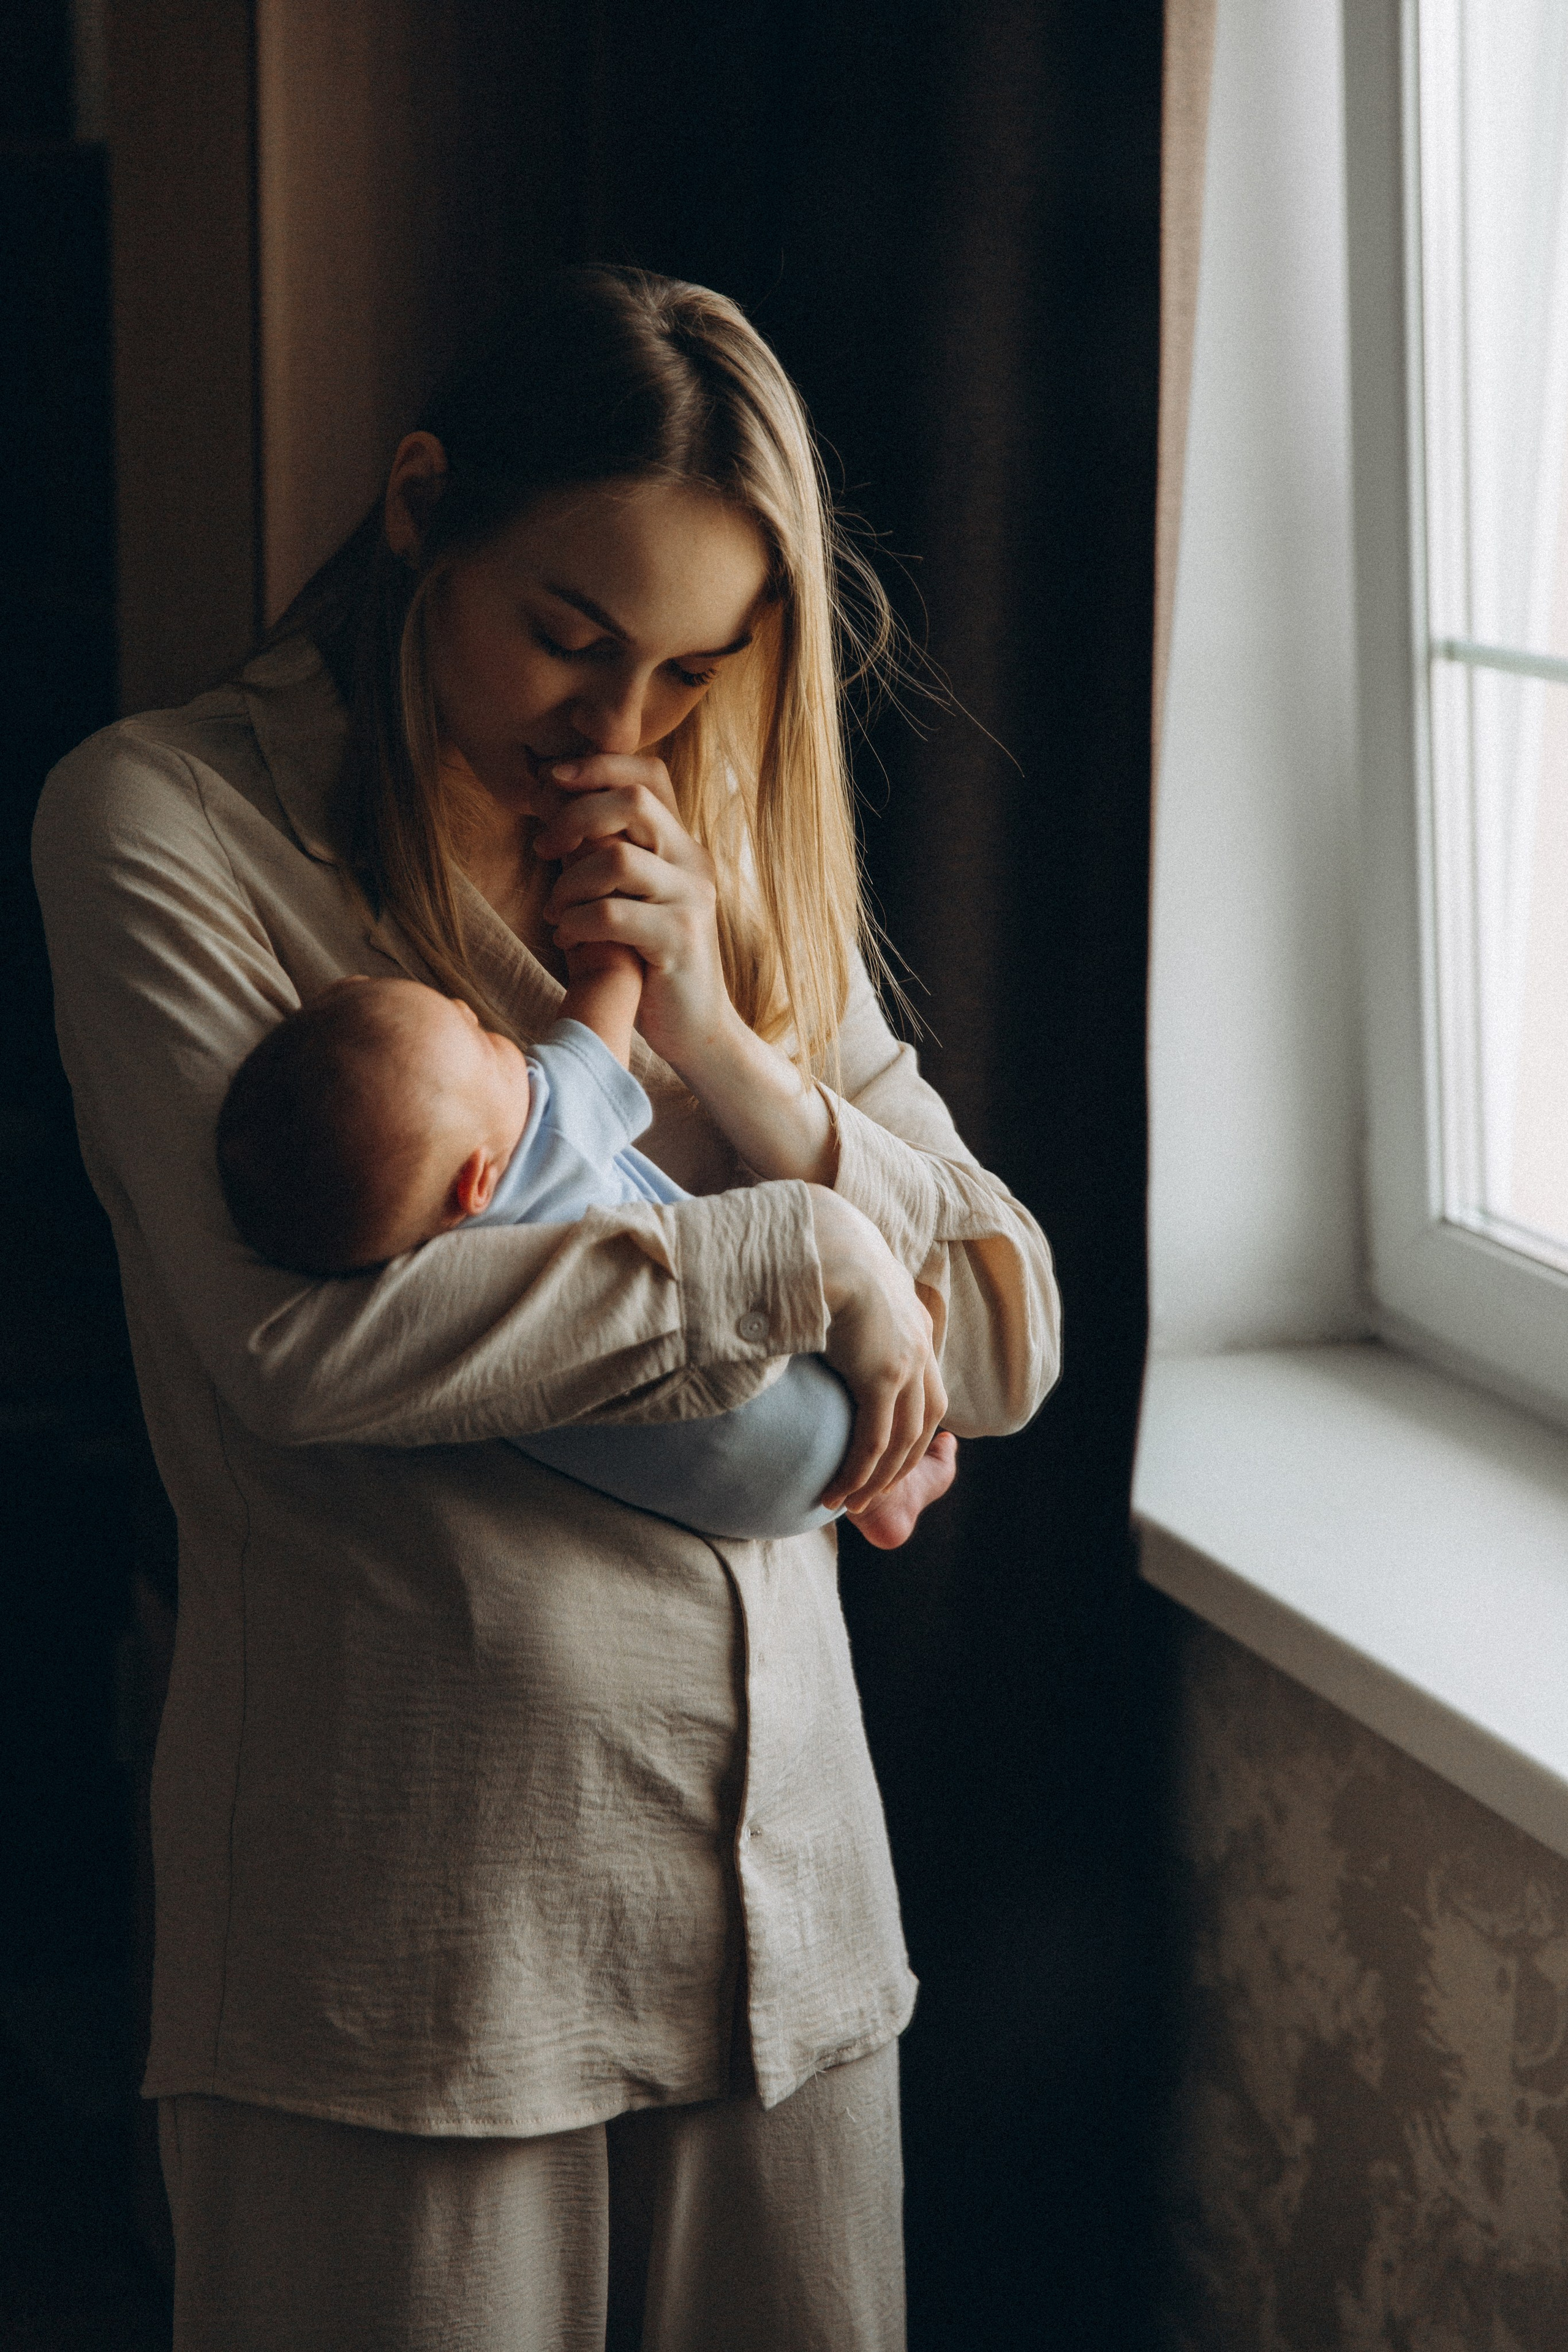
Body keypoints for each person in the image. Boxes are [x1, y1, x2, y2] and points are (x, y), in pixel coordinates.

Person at [33, 266, 1060, 2351]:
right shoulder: (164, 825)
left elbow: (999, 1326)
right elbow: (303, 1351)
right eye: (571, 638)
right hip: (410, 1949)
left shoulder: (715, 848)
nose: (617, 729)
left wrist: (727, 1046)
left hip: (783, 1914)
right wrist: (792, 1255)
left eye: (690, 670)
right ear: (424, 507)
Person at [216, 965, 959, 1547]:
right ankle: (888, 1491)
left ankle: (883, 1499)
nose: (480, 1018)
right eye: (484, 1041)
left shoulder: (409, 1273)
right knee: (894, 1346)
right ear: (477, 1182)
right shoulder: (547, 1132)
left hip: (734, 1488)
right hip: (798, 1402)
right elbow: (602, 1008)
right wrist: (611, 942)